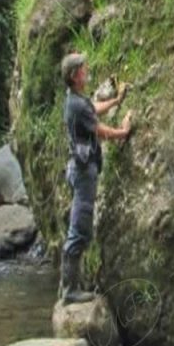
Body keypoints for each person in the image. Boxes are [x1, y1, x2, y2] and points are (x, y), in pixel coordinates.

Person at [59, 52, 132, 303]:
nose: (86, 70)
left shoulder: (76, 99)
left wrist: (115, 101)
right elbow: (99, 129)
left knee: (79, 228)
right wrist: (123, 132)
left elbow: (93, 109)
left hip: (78, 169)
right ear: (74, 76)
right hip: (83, 172)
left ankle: (67, 288)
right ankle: (69, 291)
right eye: (82, 68)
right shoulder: (77, 104)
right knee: (78, 231)